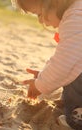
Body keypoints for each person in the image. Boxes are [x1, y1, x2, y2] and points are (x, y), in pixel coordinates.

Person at [12, 0, 82, 129]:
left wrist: (40, 84)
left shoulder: (75, 19)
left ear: (53, 3)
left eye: (38, 14)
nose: (40, 21)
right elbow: (67, 58)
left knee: (74, 75)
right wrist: (44, 75)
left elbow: (63, 65)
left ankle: (77, 120)